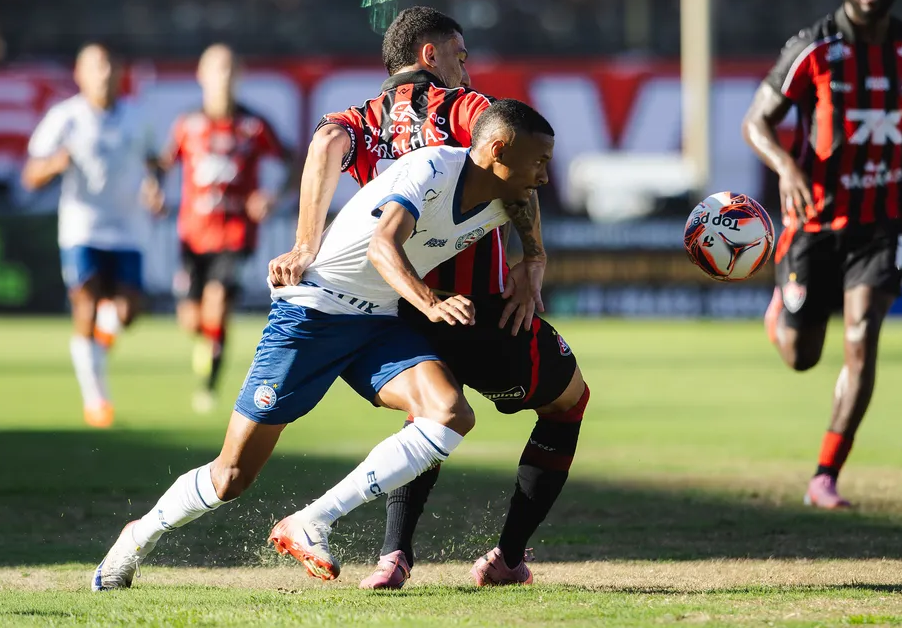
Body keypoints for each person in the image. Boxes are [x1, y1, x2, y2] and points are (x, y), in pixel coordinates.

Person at [90, 99, 554, 591]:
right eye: (539, 161)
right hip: (312, 313)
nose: (545, 176)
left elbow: (525, 207)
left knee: (450, 414)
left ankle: (313, 521)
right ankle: (137, 537)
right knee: (231, 477)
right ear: (499, 149)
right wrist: (431, 303)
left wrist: (535, 260)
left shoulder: (508, 190)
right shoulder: (434, 167)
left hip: (376, 321)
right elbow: (382, 246)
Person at [268, 6, 589, 588]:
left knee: (431, 414)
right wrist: (533, 258)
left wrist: (304, 245)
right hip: (478, 305)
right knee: (568, 401)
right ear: (429, 55)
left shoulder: (359, 121)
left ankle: (394, 556)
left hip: (397, 310)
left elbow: (326, 143)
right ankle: (508, 558)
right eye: (460, 54)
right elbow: (515, 160)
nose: (466, 68)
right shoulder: (463, 106)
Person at [742, 0, 902, 510]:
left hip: (885, 222)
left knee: (863, 336)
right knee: (801, 355)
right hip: (813, 222)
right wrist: (788, 167)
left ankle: (825, 474)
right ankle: (782, 312)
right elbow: (757, 123)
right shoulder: (813, 49)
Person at [143, 44, 296, 412]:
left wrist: (272, 197)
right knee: (191, 320)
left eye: (229, 69)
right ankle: (207, 344)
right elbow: (163, 165)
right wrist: (153, 190)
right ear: (201, 75)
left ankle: (209, 385)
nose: (223, 77)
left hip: (236, 234)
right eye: (216, 69)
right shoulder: (187, 125)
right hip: (193, 235)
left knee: (217, 305)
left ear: (239, 75)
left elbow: (294, 161)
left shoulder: (254, 126)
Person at [22, 43, 152, 429]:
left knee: (127, 313)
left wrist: (154, 188)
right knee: (86, 300)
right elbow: (30, 174)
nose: (104, 73)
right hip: (82, 226)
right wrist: (53, 165)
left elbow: (156, 162)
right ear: (79, 74)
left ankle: (104, 335)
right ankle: (96, 401)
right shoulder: (66, 117)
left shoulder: (137, 118)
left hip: (128, 229)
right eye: (96, 66)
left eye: (111, 65)